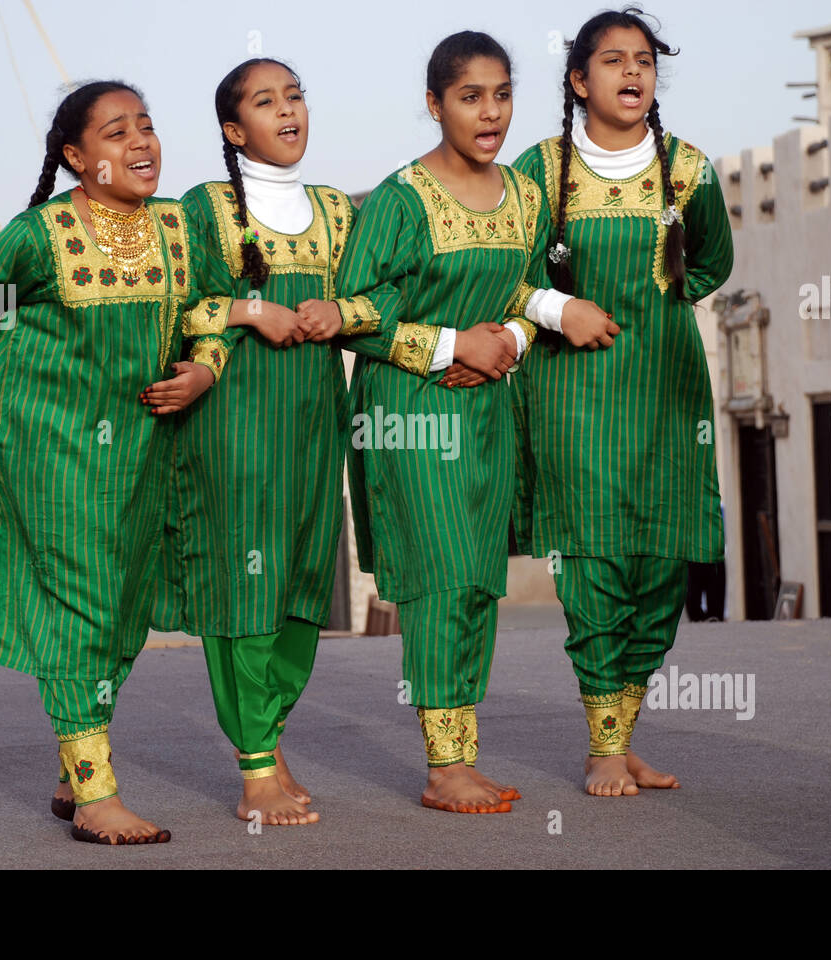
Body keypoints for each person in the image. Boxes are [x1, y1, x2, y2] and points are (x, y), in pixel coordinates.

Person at [0, 81, 209, 845]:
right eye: (117, 132)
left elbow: (209, 307)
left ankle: (72, 765)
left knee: (124, 608)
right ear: (76, 158)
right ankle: (95, 794)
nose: (140, 143)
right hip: (48, 447)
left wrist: (206, 367)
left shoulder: (177, 225)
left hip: (141, 445)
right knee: (83, 604)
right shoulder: (41, 232)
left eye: (147, 127)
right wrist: (17, 379)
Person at [511, 7, 734, 796]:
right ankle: (604, 748)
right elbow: (509, 273)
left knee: (663, 563)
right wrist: (557, 312)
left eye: (644, 60)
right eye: (613, 60)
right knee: (598, 561)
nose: (633, 73)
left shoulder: (688, 168)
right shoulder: (537, 173)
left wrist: (660, 310)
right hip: (576, 399)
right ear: (579, 81)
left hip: (669, 395)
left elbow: (712, 260)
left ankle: (623, 730)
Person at [338, 31, 558, 814]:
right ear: (435, 105)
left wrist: (510, 340)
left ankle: (463, 750)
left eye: (501, 94)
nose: (489, 111)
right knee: (436, 582)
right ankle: (444, 767)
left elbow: (530, 294)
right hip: (411, 414)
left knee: (475, 582)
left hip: (490, 406)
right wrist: (445, 346)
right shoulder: (399, 200)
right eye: (470, 96)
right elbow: (354, 316)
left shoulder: (526, 197)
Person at [155, 58, 364, 827]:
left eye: (296, 96)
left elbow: (379, 295)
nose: (289, 111)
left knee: (305, 583)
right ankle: (253, 771)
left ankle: (269, 740)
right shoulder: (202, 208)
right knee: (246, 585)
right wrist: (252, 312)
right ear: (233, 129)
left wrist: (339, 313)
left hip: (314, 424)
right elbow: (178, 301)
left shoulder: (339, 210)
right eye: (266, 101)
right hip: (233, 430)